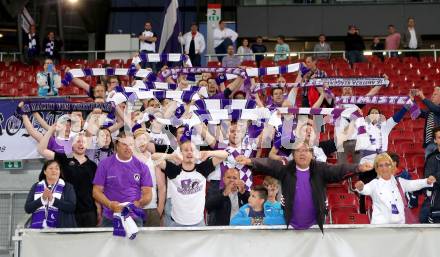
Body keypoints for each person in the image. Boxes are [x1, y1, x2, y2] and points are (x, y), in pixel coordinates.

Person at [236, 142, 373, 231]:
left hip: (316, 226)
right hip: (289, 226)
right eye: (298, 151)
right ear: (293, 155)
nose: (302, 153)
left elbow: (339, 170)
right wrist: (250, 160)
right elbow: (269, 164)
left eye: (306, 150)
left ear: (312, 154)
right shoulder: (285, 169)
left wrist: (358, 167)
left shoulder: (321, 169)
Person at [38, 125, 99, 227]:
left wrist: (98, 209)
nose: (81, 144)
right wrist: (51, 130)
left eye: (83, 142)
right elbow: (41, 150)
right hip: (67, 211)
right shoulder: (63, 158)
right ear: (71, 144)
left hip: (88, 212)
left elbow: (95, 190)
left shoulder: (92, 165)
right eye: (78, 141)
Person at [156, 140, 228, 226]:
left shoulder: (203, 169)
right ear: (181, 153)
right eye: (186, 150)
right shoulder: (174, 170)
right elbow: (153, 157)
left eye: (192, 150)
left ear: (196, 153)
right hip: (177, 223)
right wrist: (171, 156)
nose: (189, 152)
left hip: (198, 223)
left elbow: (225, 154)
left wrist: (209, 153)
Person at [93, 131, 153, 226]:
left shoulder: (142, 167)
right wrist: (110, 204)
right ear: (117, 145)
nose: (128, 148)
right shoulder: (104, 164)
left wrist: (139, 203)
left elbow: (148, 193)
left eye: (131, 144)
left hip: (134, 217)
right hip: (110, 217)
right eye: (124, 144)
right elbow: (96, 191)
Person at [355, 153, 435, 224]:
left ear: (392, 166)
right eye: (381, 165)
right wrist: (361, 187)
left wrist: (426, 181)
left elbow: (412, 184)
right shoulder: (374, 183)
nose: (384, 168)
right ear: (377, 169)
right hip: (380, 227)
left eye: (387, 165)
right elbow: (365, 189)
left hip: (399, 226)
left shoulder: (399, 182)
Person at [25, 160, 77, 228]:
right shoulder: (36, 186)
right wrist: (42, 199)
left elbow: (71, 207)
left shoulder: (67, 187)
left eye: (57, 168)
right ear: (45, 172)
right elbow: (28, 208)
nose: (54, 170)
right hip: (40, 231)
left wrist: (53, 200)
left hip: (62, 230)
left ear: (59, 172)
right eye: (51, 168)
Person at [133, 127, 166, 226]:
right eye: (139, 139)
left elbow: (162, 187)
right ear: (134, 142)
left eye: (144, 139)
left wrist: (159, 209)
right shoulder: (129, 160)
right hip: (133, 208)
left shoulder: (154, 159)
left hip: (151, 208)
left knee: (153, 240)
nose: (141, 142)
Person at [413, 87, 440, 158]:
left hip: (438, 143)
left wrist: (422, 96)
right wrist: (412, 100)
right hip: (429, 144)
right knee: (429, 166)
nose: (432, 96)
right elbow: (416, 113)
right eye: (432, 95)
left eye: (435, 94)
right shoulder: (429, 111)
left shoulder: (437, 109)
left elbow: (434, 108)